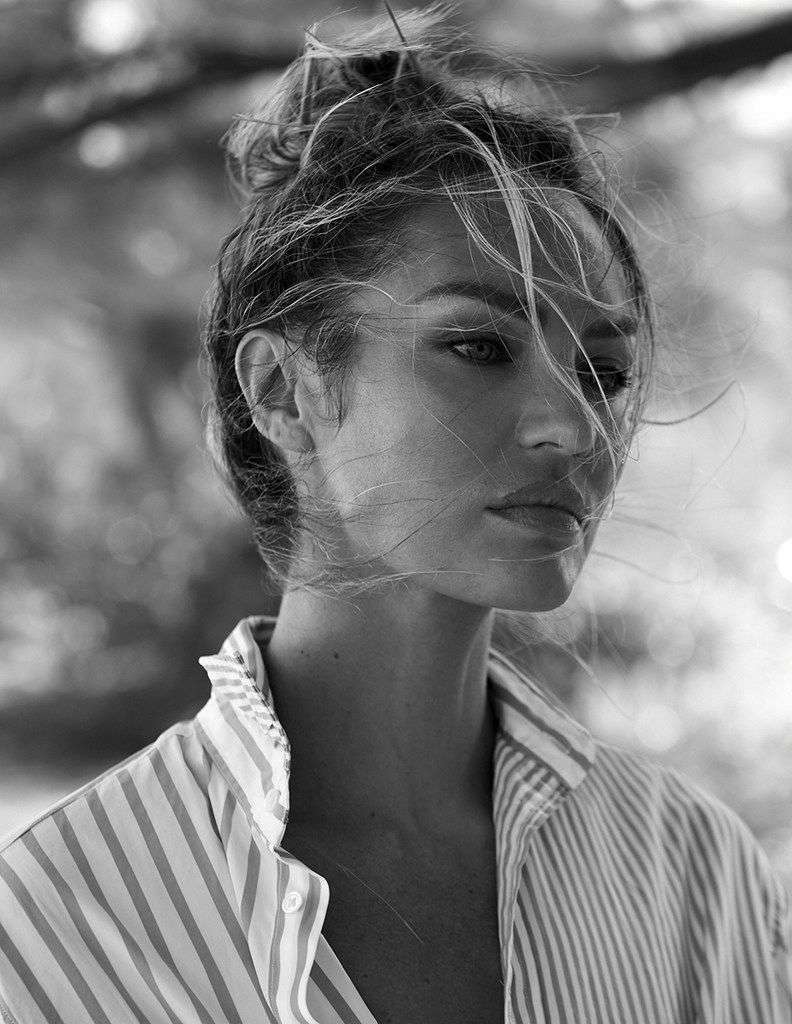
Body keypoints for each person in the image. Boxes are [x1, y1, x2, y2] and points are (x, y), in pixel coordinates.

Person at [1, 6, 790, 1023]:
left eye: (603, 370)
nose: (574, 425)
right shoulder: (55, 927)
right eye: (478, 346)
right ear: (282, 391)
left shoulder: (697, 878)